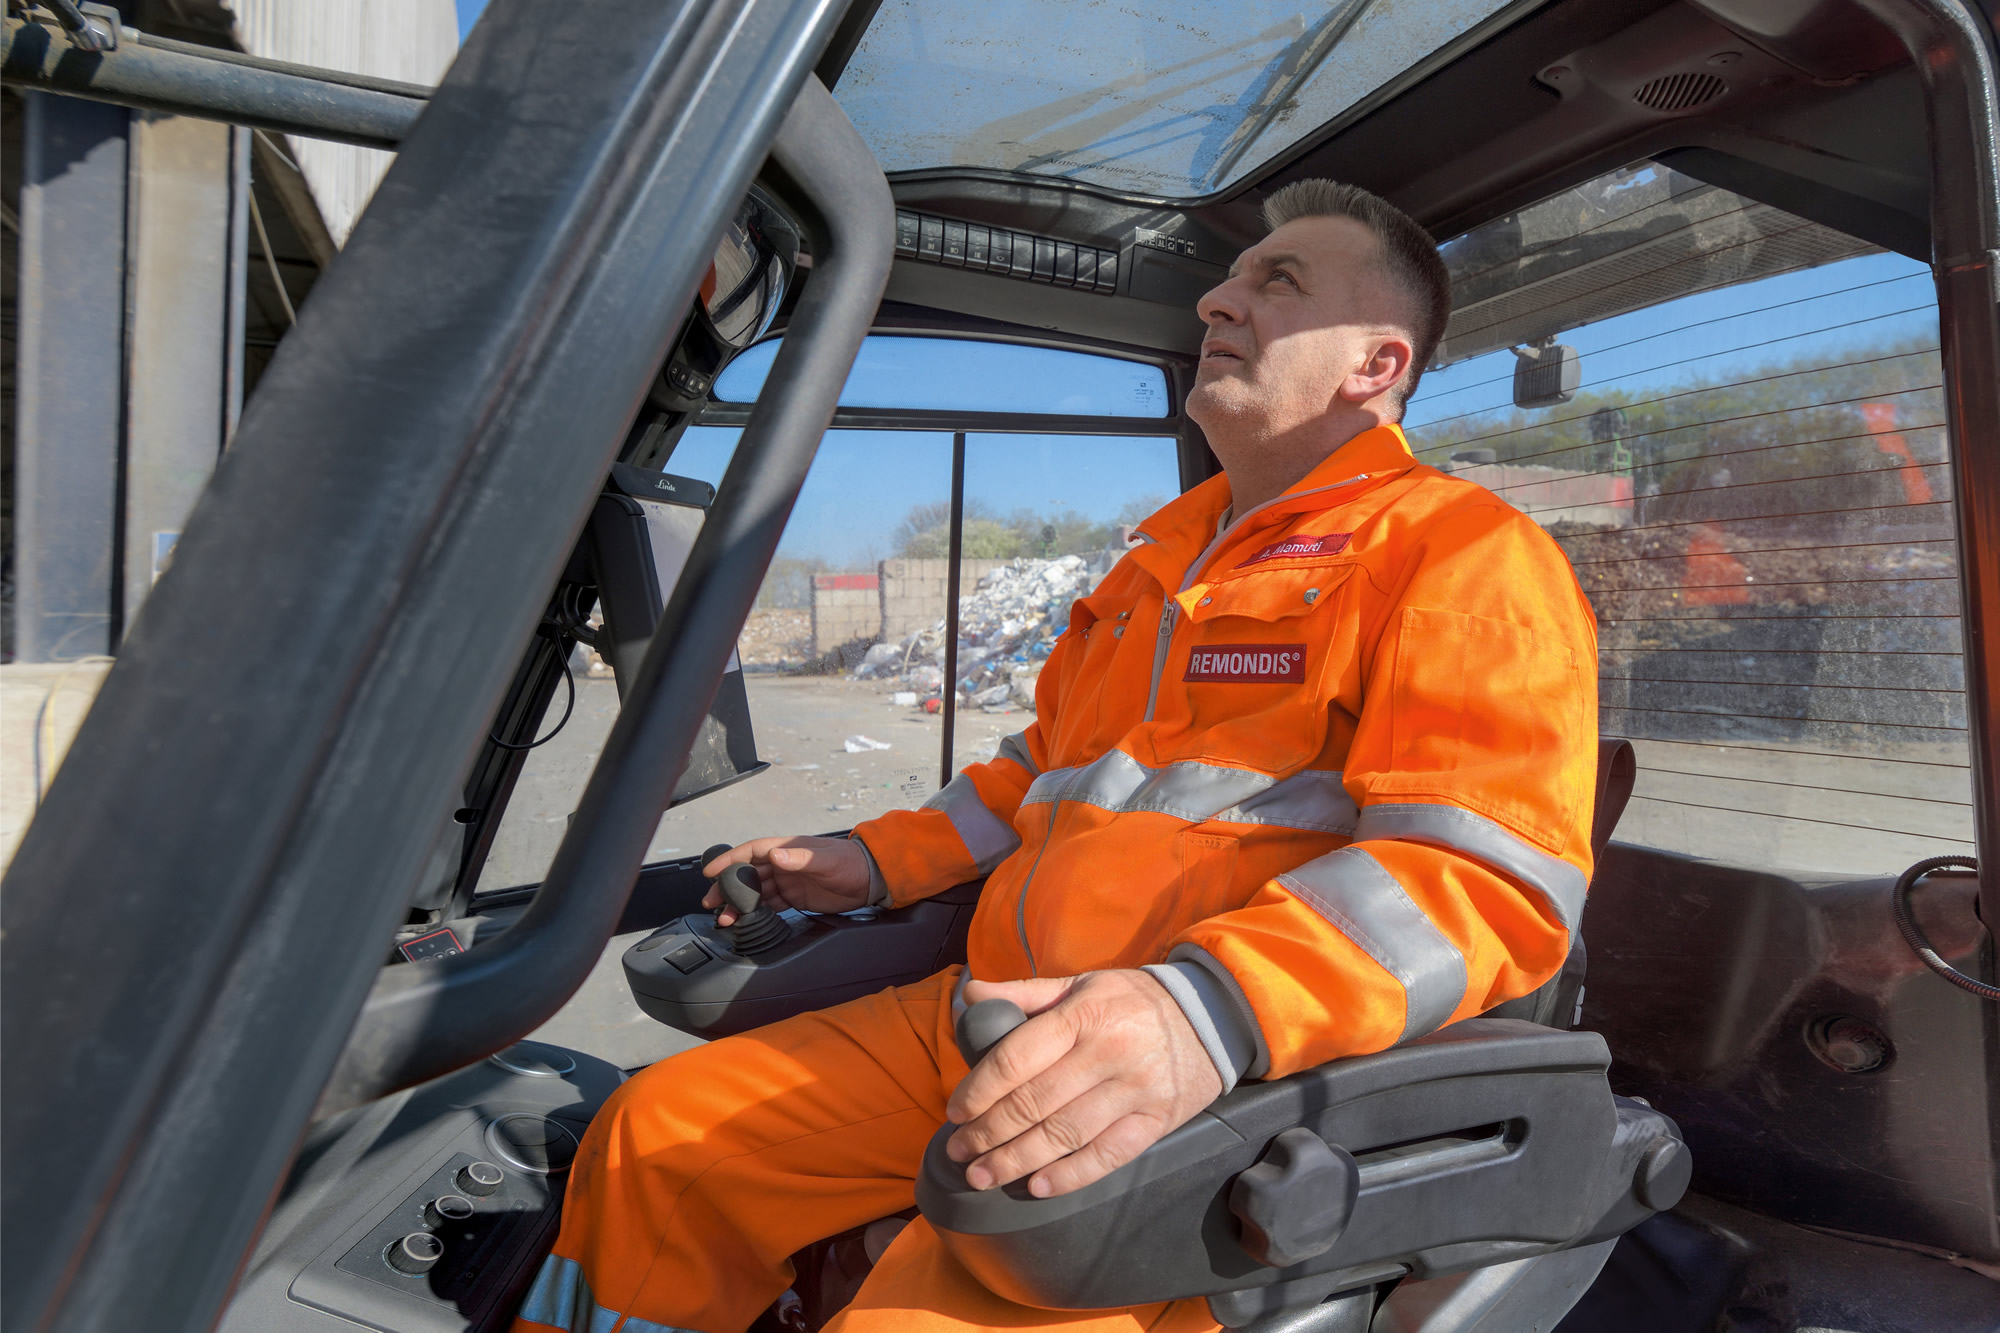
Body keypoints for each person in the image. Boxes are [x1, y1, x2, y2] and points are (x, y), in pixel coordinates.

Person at [514, 179, 1599, 1333]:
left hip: (1207, 1079)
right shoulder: (1151, 569)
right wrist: (869, 862)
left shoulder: (1460, 554)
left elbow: (1483, 875)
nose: (1217, 302)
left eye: (1276, 281)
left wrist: (1201, 1012)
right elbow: (1038, 773)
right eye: (1228, 280)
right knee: (657, 1140)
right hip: (986, 1014)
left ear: (1373, 364)